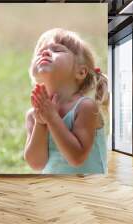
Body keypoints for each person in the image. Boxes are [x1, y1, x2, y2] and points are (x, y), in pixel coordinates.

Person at [23, 28, 109, 174]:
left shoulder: (85, 107)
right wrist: (41, 122)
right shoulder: (33, 115)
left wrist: (52, 118)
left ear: (81, 72)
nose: (45, 52)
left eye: (57, 50)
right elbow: (36, 164)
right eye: (40, 52)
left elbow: (76, 158)